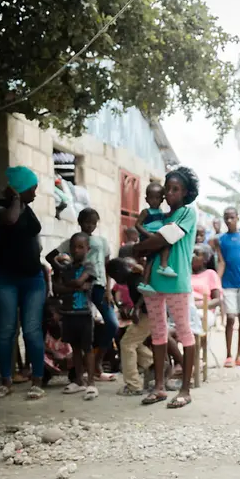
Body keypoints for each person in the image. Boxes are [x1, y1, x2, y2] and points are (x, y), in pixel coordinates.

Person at [133, 166, 200, 409]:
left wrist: (136, 249)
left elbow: (164, 238)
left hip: (177, 280)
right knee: (158, 332)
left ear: (186, 193)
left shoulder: (187, 213)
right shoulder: (159, 216)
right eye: (167, 189)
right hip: (154, 283)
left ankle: (185, 389)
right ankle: (159, 387)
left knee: (183, 331)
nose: (170, 193)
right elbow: (153, 237)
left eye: (176, 189)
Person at [0, 165, 47, 400]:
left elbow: (35, 237)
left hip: (33, 279)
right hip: (5, 278)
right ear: (20, 189)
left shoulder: (28, 210)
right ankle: (6, 381)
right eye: (32, 189)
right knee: (6, 331)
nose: (35, 194)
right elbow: (10, 220)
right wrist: (16, 198)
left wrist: (21, 200)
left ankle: (37, 381)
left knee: (32, 330)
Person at [47, 208, 118, 383]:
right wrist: (63, 270)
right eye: (87, 222)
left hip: (99, 286)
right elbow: (50, 257)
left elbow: (107, 267)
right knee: (81, 327)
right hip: (79, 290)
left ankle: (98, 361)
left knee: (112, 324)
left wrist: (109, 289)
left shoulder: (101, 241)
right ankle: (82, 370)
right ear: (79, 222)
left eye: (93, 222)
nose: (90, 226)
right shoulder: (72, 242)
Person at [52, 233, 99, 401]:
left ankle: (91, 382)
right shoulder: (67, 268)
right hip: (68, 314)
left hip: (84, 314)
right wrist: (74, 286)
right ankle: (79, 380)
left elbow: (80, 282)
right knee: (76, 348)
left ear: (88, 249)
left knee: (88, 348)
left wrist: (69, 286)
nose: (76, 250)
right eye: (73, 247)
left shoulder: (89, 266)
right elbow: (58, 288)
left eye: (81, 247)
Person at [108, 255, 154, 397]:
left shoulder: (134, 279)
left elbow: (147, 293)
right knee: (134, 342)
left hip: (148, 315)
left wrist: (137, 309)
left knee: (127, 344)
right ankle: (153, 364)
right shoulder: (132, 278)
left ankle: (133, 385)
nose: (116, 281)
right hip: (149, 314)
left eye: (114, 277)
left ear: (118, 273)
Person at [216, 207, 240, 368]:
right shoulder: (220, 240)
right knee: (230, 318)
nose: (229, 221)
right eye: (226, 218)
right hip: (227, 284)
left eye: (232, 217)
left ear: (237, 218)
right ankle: (228, 355)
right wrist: (216, 283)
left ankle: (239, 355)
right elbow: (220, 262)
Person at [136, 181, 173, 292]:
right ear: (146, 199)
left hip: (156, 237)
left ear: (162, 200)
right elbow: (137, 224)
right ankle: (164, 265)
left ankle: (145, 282)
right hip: (148, 237)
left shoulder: (160, 212)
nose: (154, 201)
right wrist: (148, 235)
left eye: (157, 198)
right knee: (166, 245)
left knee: (151, 260)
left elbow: (164, 217)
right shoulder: (146, 212)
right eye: (152, 198)